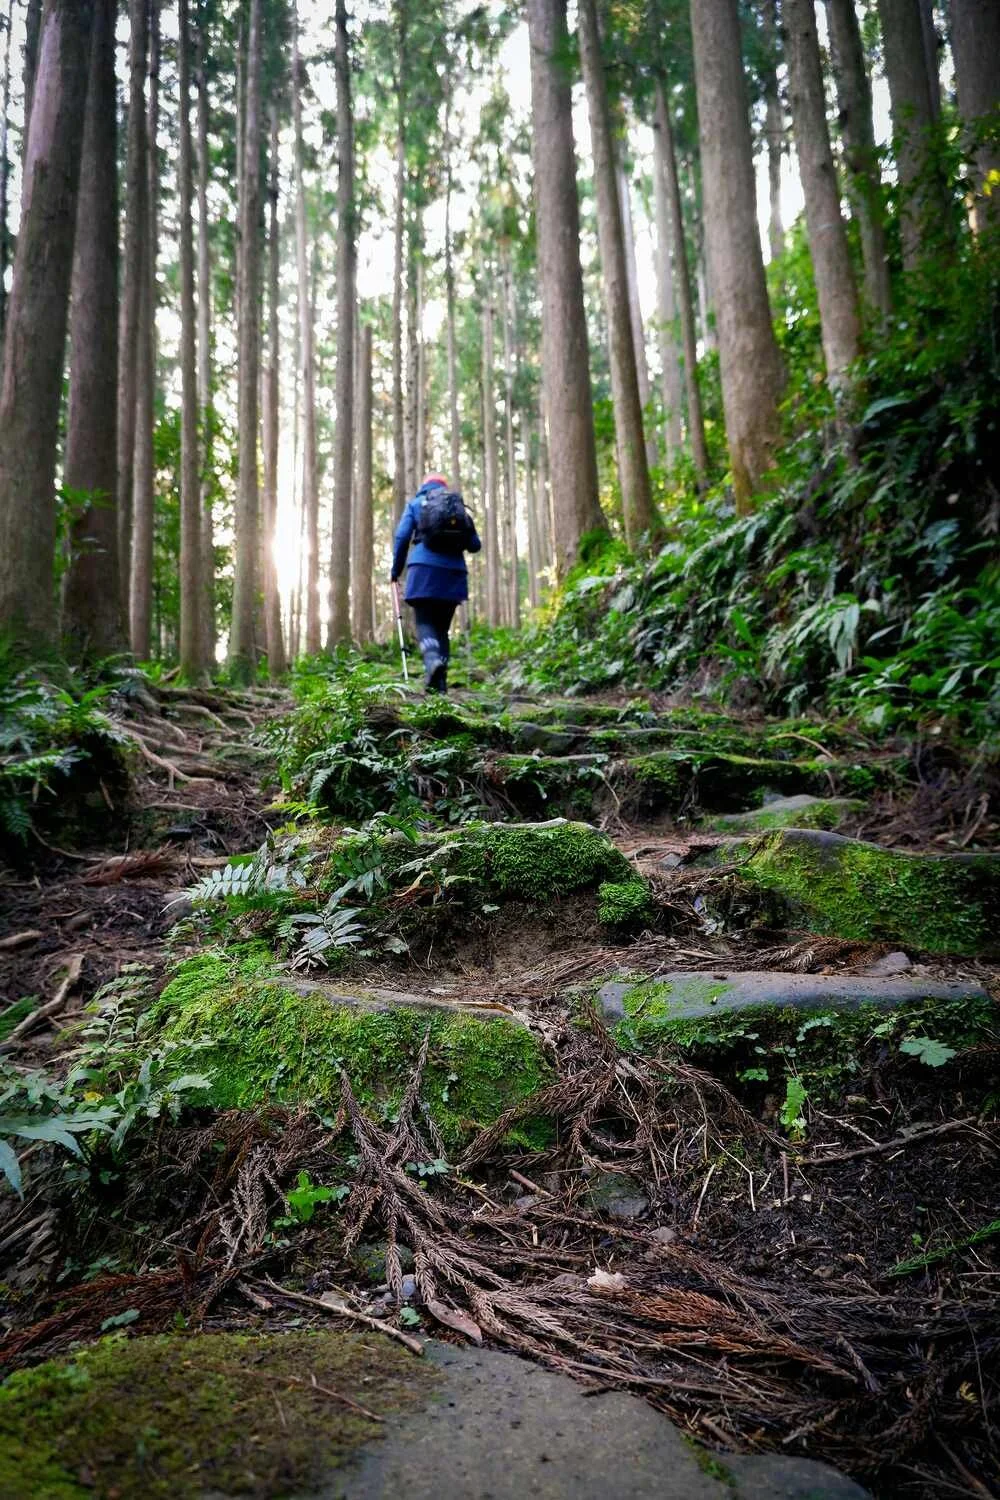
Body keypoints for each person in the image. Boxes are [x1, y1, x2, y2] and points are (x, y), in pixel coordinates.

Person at [391, 473, 481, 694]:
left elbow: (402, 537)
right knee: (442, 629)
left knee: (425, 623)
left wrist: (396, 571)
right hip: (453, 574)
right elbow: (475, 545)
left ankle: (432, 663)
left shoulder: (415, 504)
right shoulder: (457, 508)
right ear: (444, 487)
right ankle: (439, 687)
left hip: (423, 570)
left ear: (424, 486)